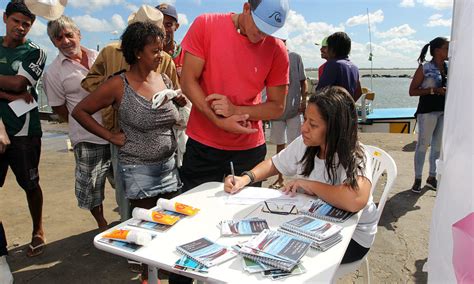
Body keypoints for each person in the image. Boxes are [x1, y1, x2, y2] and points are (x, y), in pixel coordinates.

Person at [224, 86, 375, 264]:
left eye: (313, 124)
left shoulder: (355, 155)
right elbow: (274, 163)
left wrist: (310, 185)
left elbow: (355, 199)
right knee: (260, 245)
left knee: (277, 253)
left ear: (335, 128)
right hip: (315, 226)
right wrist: (246, 177)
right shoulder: (305, 145)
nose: (304, 128)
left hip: (352, 238)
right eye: (305, 120)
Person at [81, 5, 182, 222]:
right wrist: (109, 136)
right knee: (145, 227)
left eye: (161, 48)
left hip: (169, 167)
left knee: (169, 225)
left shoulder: (163, 79)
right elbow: (81, 111)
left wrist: (177, 101)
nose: (160, 55)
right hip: (139, 171)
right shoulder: (118, 84)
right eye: (154, 51)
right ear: (137, 52)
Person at [179, 0, 290, 192]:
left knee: (242, 218)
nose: (264, 35)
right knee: (193, 211)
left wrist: (235, 110)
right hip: (204, 144)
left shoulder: (277, 49)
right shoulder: (206, 25)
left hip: (249, 149)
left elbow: (277, 106)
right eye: (260, 27)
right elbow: (188, 81)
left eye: (270, 30)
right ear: (246, 8)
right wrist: (218, 121)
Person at [43, 16, 112, 229]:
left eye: (69, 35)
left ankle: (127, 219)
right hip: (87, 137)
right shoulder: (53, 72)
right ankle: (102, 224)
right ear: (54, 42)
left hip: (116, 130)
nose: (65, 41)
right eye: (58, 37)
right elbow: (58, 107)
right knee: (92, 188)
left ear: (79, 34)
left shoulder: (100, 56)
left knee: (124, 182)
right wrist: (80, 122)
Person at [0, 0, 47, 257]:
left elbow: (19, 84)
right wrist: (5, 95)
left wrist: (11, 92)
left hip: (23, 131)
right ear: (5, 18)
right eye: (16, 21)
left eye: (26, 24)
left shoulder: (36, 52)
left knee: (30, 183)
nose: (20, 27)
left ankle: (38, 229)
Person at [409, 37, 448, 193]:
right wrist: (434, 90)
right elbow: (412, 91)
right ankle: (417, 179)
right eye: (447, 47)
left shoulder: (449, 67)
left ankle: (432, 177)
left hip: (444, 111)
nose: (449, 51)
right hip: (427, 112)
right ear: (437, 50)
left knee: (437, 147)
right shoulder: (424, 68)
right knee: (422, 146)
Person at [269, 44, 307, 189]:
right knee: (280, 144)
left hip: (294, 110)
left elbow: (303, 82)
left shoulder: (295, 57)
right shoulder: (269, 56)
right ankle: (280, 178)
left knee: (298, 143)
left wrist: (304, 101)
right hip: (276, 111)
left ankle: (300, 179)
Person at [316, 31, 362, 101]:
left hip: (334, 111)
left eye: (328, 46)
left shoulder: (333, 65)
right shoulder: (354, 67)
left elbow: (319, 94)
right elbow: (359, 92)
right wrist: (348, 106)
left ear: (333, 48)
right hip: (347, 110)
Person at [157, 3, 183, 74]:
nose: (163, 30)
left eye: (168, 25)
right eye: (159, 25)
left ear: (176, 27)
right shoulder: (144, 56)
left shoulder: (185, 57)